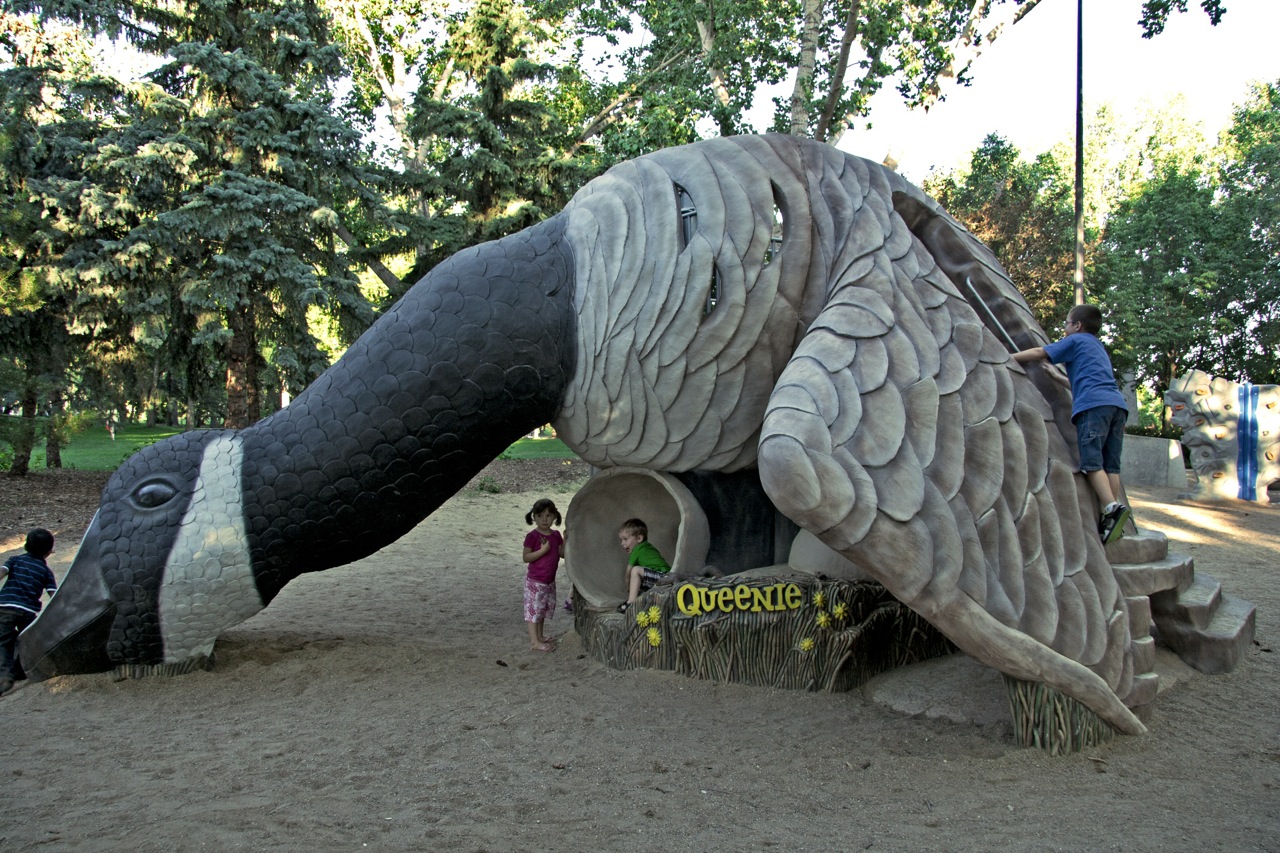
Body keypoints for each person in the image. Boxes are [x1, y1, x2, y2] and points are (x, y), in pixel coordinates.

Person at [1013, 304, 1131, 544]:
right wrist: (1058, 377)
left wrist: (1008, 358)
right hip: (1116, 406)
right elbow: (1086, 382)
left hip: (1093, 407)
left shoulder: (1076, 341)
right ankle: (1113, 513)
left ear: (1077, 326)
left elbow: (1039, 352)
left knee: (1091, 461)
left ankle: (1111, 507)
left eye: (1066, 324)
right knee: (1112, 465)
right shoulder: (1098, 347)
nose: (1064, 328)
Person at [0, 528, 58, 695]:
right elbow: (54, 595)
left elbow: (2, 572)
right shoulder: (46, 572)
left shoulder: (15, 560)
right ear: (48, 553)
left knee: (3, 641)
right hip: (27, 612)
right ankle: (20, 671)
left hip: (5, 608)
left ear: (25, 545)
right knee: (25, 641)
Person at [522, 499, 564, 653]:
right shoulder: (532, 536)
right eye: (540, 516)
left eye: (548, 515)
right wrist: (542, 551)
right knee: (533, 612)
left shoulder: (556, 535)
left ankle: (540, 636)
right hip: (535, 582)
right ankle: (534, 642)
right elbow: (526, 557)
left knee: (542, 611)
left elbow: (562, 554)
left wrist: (566, 540)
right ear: (534, 517)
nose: (544, 519)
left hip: (549, 581)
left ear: (554, 516)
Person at [619, 517, 671, 609]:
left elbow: (628, 574)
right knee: (638, 580)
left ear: (639, 538)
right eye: (621, 540)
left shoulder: (637, 549)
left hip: (664, 578)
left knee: (635, 571)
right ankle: (639, 601)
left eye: (625, 539)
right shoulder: (647, 547)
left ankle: (631, 603)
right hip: (667, 578)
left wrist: (628, 589)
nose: (622, 543)